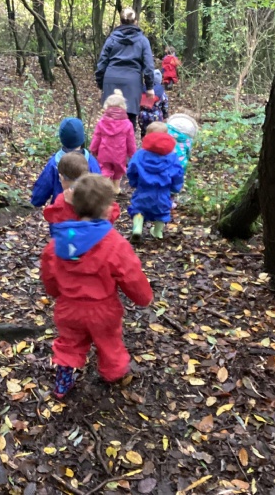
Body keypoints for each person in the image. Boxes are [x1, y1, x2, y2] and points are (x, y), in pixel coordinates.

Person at [41, 174, 153, 398]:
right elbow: (130, 274)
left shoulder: (59, 242)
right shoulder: (114, 243)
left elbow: (49, 273)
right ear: (106, 209)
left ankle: (63, 380)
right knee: (109, 342)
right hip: (103, 310)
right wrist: (144, 297)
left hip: (68, 308)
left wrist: (56, 292)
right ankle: (113, 373)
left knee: (69, 343)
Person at [95, 7, 155, 132]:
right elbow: (148, 66)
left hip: (111, 81)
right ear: (136, 21)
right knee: (129, 119)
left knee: (110, 118)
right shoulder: (143, 41)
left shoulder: (111, 39)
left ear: (121, 21)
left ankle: (108, 143)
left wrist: (101, 85)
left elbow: (101, 64)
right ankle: (127, 144)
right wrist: (149, 87)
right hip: (132, 83)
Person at [127, 123, 184, 241]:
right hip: (162, 192)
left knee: (138, 209)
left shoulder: (140, 154)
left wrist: (134, 182)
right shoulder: (172, 156)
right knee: (162, 212)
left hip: (143, 190)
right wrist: (175, 188)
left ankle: (137, 228)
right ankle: (158, 232)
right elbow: (178, 174)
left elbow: (132, 169)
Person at [31, 117, 101, 207]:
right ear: (82, 137)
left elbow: (43, 186)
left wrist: (35, 201)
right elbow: (99, 187)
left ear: (61, 138)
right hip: (86, 211)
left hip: (60, 210)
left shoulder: (54, 163)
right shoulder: (91, 161)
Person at [44, 152, 120, 226]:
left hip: (71, 233)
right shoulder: (95, 194)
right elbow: (114, 211)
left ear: (61, 178)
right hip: (98, 233)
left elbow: (50, 215)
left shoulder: (62, 200)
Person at [89, 89, 136, 195]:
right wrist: (132, 154)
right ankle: (116, 189)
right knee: (118, 172)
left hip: (104, 152)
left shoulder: (102, 122)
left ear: (107, 107)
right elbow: (130, 141)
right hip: (120, 154)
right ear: (123, 107)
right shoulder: (127, 124)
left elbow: (97, 137)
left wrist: (93, 149)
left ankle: (104, 189)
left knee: (104, 170)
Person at [138, 70, 169, 138]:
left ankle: (144, 142)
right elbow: (165, 105)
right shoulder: (161, 92)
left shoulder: (143, 89)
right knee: (156, 132)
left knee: (144, 131)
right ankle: (154, 142)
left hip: (143, 115)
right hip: (156, 116)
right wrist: (165, 115)